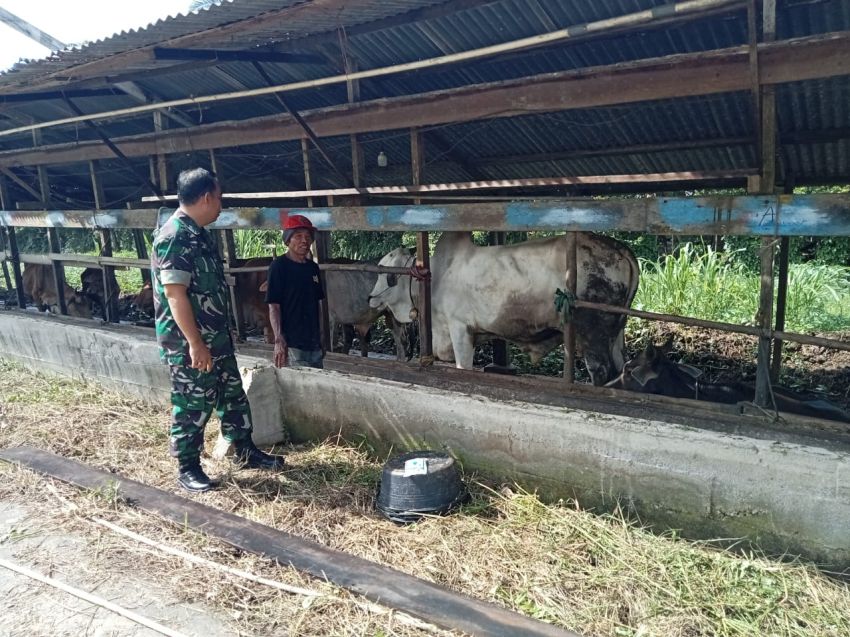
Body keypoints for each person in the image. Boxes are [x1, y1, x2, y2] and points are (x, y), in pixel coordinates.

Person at [151, 167, 284, 492]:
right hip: (189, 344)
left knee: (232, 394)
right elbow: (174, 294)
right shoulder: (174, 237)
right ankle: (188, 466)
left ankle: (245, 450)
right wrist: (195, 343)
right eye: (220, 198)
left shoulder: (198, 234)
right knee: (193, 401)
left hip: (215, 339)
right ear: (208, 196)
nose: (221, 206)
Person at [266, 215, 325, 369]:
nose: (304, 241)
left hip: (313, 342)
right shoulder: (279, 267)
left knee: (315, 386)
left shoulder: (313, 268)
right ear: (287, 240)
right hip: (292, 343)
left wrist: (321, 335)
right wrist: (279, 339)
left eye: (307, 237)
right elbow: (274, 306)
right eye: (298, 236)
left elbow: (318, 304)